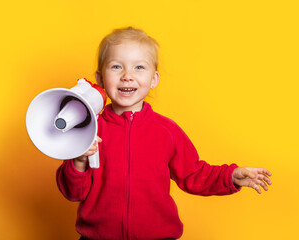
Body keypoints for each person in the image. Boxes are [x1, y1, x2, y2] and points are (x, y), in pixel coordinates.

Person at [56, 27, 272, 240]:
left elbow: (193, 173)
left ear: (154, 79)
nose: (127, 76)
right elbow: (73, 192)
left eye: (139, 67)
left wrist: (230, 176)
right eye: (116, 67)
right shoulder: (88, 129)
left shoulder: (166, 131)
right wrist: (79, 160)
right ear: (100, 79)